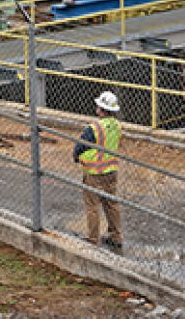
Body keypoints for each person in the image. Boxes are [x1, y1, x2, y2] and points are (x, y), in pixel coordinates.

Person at [73, 90, 123, 252]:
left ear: (101, 109)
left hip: (94, 172)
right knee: (111, 204)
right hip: (111, 171)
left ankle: (92, 238)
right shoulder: (117, 126)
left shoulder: (94, 128)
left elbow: (80, 146)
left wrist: (76, 155)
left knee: (92, 206)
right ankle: (116, 236)